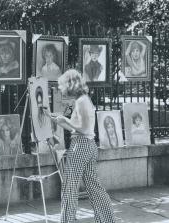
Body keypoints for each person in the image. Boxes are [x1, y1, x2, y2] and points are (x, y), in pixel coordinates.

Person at [44, 69, 115, 223]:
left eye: (62, 85)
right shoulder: (84, 99)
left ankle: (66, 220)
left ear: (70, 84)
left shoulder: (81, 101)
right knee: (93, 186)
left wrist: (66, 119)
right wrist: (61, 122)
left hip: (80, 146)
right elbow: (80, 128)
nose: (61, 89)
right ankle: (107, 220)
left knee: (69, 186)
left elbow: (82, 128)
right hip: (88, 145)